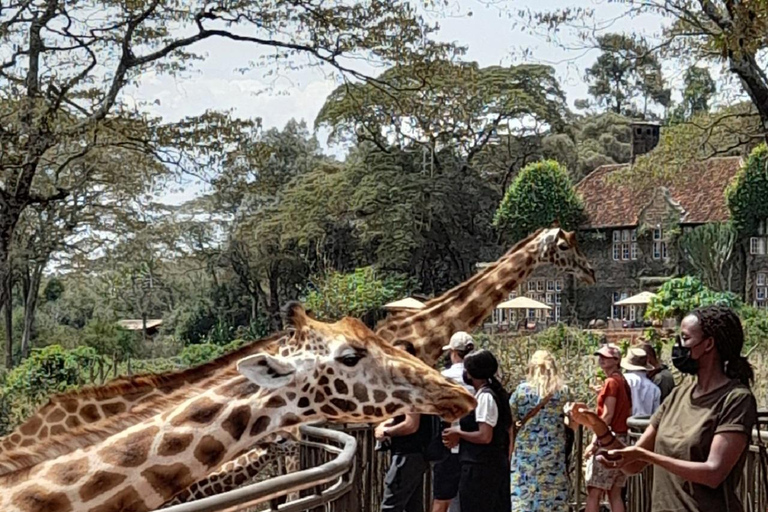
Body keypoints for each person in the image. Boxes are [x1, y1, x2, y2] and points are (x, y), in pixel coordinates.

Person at [599, 305, 758, 512]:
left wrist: (646, 456)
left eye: (685, 338)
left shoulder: (736, 399)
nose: (678, 346)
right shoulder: (678, 395)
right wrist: (599, 428)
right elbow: (633, 465)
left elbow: (713, 473)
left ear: (708, 344)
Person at [442, 349, 512, 512]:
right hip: (488, 466)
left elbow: (485, 435)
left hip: (481, 469)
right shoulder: (491, 393)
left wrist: (459, 433)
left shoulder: (486, 397)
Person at [509, 350, 572, 512]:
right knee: (552, 495)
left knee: (525, 496)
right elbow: (571, 420)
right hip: (553, 450)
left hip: (525, 452)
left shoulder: (521, 391)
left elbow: (511, 416)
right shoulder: (563, 391)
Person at [377, 340, 431, 512]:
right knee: (412, 506)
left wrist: (386, 431)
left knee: (390, 507)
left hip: (408, 454)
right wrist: (388, 423)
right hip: (414, 454)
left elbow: (411, 424)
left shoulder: (410, 387)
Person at [585, 343, 632, 512]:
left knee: (594, 491)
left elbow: (607, 415)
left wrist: (595, 442)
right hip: (623, 439)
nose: (602, 360)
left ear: (617, 360)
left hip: (608, 440)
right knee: (615, 492)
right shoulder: (622, 380)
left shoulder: (611, 382)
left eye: (606, 357)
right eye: (601, 356)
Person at [432, 332, 475, 512]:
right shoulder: (479, 380)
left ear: (453, 353)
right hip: (473, 444)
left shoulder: (444, 378)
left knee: (441, 498)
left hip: (447, 442)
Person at [621, 347, 661, 417]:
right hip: (644, 425)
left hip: (625, 423)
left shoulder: (623, 380)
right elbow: (656, 414)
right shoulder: (655, 389)